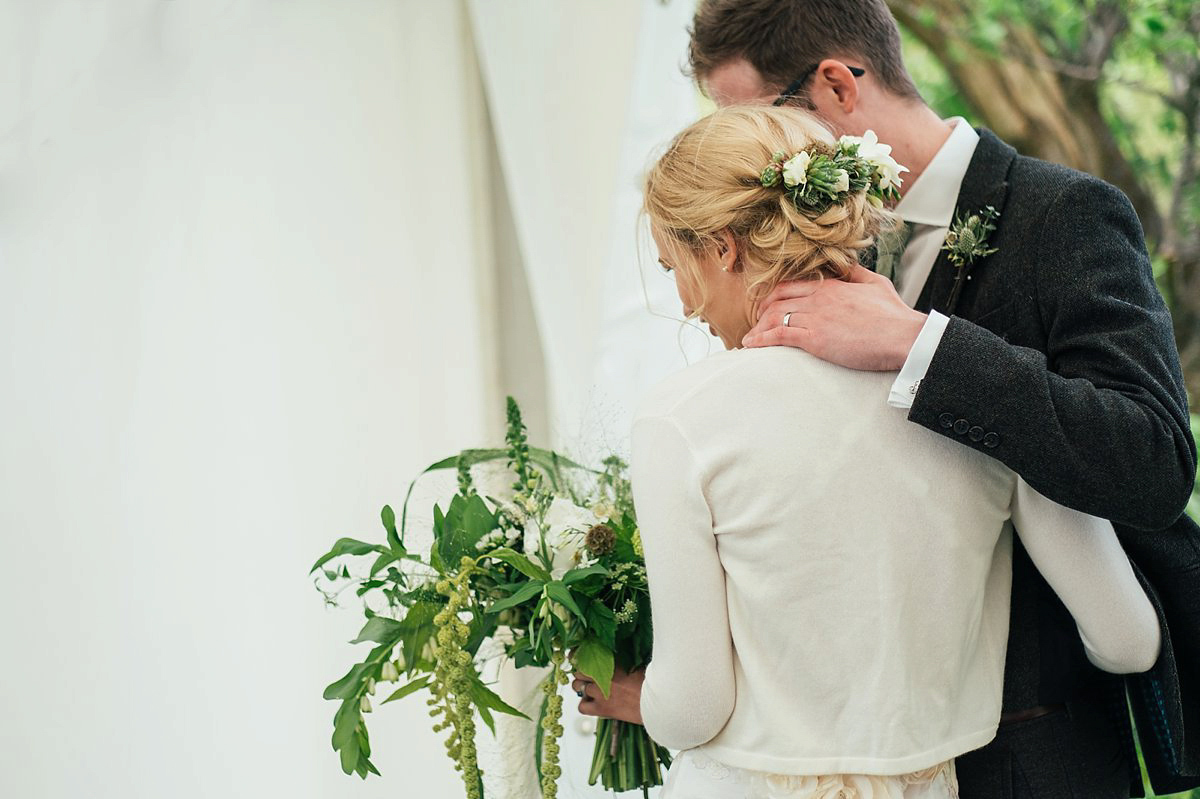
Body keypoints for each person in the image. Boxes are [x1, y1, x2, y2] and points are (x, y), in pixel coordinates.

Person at [673, 2, 1200, 797]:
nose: (753, 161)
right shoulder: (810, 255)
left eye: (758, 122)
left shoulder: (1063, 216)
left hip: (1038, 755)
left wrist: (921, 345)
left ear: (838, 87)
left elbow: (1153, 462)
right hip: (866, 753)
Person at [572, 105, 1160, 799]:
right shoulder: (974, 389)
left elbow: (696, 708)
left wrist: (639, 698)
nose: (684, 301)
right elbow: (1129, 638)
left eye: (676, 265)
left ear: (724, 248)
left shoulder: (678, 421)